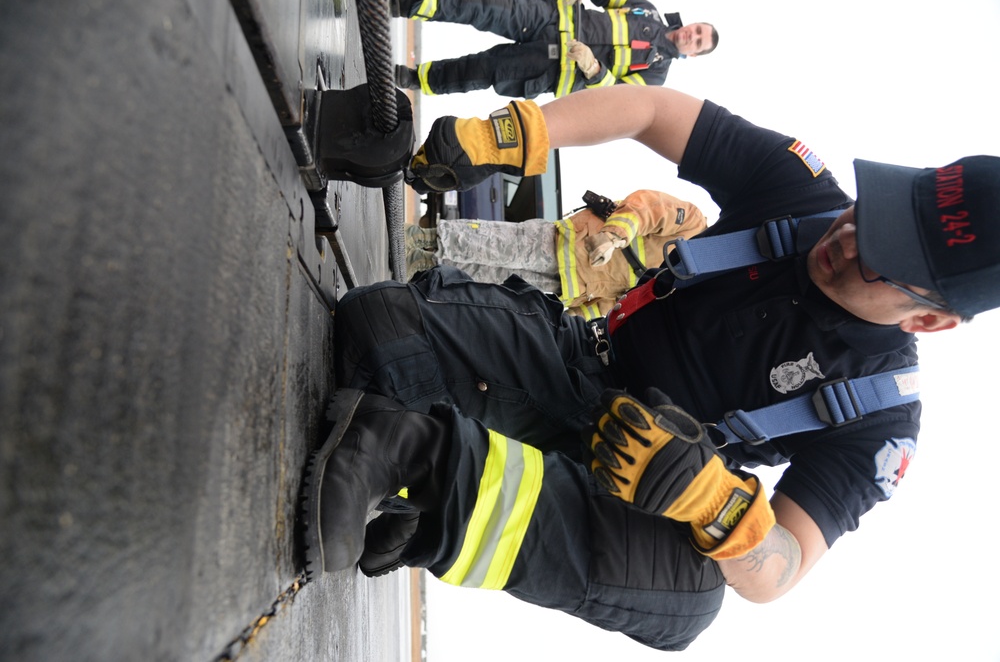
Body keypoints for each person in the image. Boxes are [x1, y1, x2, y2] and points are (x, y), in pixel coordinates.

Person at [301, 85, 1000, 651]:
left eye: (878, 257)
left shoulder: (881, 420)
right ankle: (424, 499)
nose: (845, 240)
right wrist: (513, 137)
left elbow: (779, 571)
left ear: (928, 319)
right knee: (378, 322)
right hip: (566, 362)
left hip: (632, 484)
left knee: (690, 603)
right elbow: (652, 110)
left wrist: (715, 504)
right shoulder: (797, 188)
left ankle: (411, 456)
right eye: (865, 212)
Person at [406, 188, 708, 318]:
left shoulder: (685, 283)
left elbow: (620, 302)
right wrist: (614, 236)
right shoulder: (694, 224)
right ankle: (422, 239)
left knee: (491, 279)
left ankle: (425, 262)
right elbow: (648, 208)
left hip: (570, 288)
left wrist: (574, 317)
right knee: (496, 242)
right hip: (575, 244)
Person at [392, 0, 717, 98]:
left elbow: (614, 96)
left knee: (482, 70)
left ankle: (415, 79)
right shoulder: (647, 10)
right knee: (484, 3)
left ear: (694, 55)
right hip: (547, 18)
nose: (693, 35)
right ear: (692, 23)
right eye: (698, 30)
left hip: (551, 64)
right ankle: (403, 2)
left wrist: (592, 67)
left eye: (699, 42)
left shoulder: (657, 76)